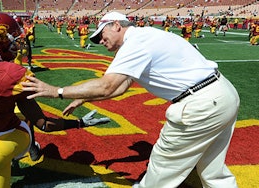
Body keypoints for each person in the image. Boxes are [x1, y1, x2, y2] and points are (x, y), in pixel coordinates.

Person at [21, 11, 240, 188]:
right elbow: (122, 86)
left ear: (116, 25)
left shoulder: (135, 42)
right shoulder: (146, 36)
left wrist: (56, 91)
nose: (100, 41)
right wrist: (83, 98)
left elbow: (110, 86)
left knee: (160, 171)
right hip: (222, 94)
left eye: (101, 35)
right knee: (213, 171)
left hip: (201, 104)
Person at [0, 12, 110, 188]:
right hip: (12, 141)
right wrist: (79, 123)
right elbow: (44, 124)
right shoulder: (12, 75)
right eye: (11, 40)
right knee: (24, 117)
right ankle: (29, 148)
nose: (16, 44)